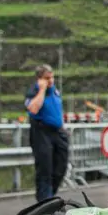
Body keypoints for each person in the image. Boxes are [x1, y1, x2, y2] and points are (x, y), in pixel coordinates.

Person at [24, 65, 68, 201]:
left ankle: (49, 196)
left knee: (61, 167)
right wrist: (42, 89)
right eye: (47, 78)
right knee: (45, 169)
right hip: (41, 132)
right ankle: (44, 201)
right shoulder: (34, 91)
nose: (51, 81)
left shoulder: (55, 91)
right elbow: (33, 109)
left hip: (58, 132)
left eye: (52, 77)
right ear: (39, 79)